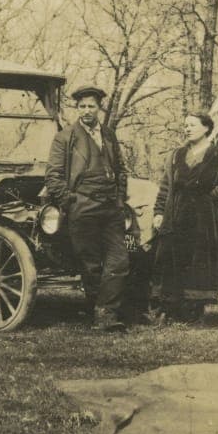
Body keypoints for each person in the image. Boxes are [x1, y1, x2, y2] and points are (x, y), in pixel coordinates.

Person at [45, 85, 130, 332]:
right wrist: (70, 201)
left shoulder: (109, 135)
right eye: (82, 106)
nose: (86, 111)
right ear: (77, 108)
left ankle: (105, 311)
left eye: (91, 106)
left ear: (99, 108)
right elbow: (53, 176)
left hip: (110, 206)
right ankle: (103, 313)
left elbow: (121, 170)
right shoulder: (65, 137)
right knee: (90, 264)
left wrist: (120, 198)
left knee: (119, 260)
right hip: (81, 207)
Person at [151, 111, 218, 323]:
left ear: (206, 128)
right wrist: (159, 212)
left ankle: (193, 310)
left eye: (192, 125)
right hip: (175, 215)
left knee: (198, 261)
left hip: (203, 218)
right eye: (185, 125)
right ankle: (170, 309)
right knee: (171, 259)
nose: (187, 128)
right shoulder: (175, 155)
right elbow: (166, 186)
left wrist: (214, 195)